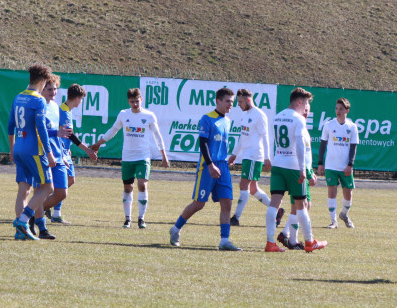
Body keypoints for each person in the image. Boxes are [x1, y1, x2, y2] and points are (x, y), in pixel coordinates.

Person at [90, 88, 170, 229]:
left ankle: (141, 218)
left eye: (137, 101)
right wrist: (98, 143)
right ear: (128, 101)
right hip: (127, 157)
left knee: (142, 185)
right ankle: (128, 219)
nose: (135, 104)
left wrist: (164, 155)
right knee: (128, 187)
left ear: (141, 100)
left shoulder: (149, 115)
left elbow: (157, 135)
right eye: (132, 102)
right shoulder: (123, 114)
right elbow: (113, 130)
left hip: (143, 157)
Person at [169, 87, 238, 250]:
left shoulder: (228, 121)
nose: (230, 105)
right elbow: (203, 143)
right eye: (228, 101)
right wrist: (210, 164)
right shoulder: (207, 118)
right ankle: (175, 228)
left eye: (232, 102)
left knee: (227, 202)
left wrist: (226, 160)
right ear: (218, 101)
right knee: (199, 203)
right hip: (208, 166)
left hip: (223, 165)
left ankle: (224, 241)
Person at [264, 87, 326, 252]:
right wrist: (302, 169)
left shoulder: (278, 117)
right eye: (305, 103)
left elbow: (274, 141)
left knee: (274, 204)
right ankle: (309, 241)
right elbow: (299, 145)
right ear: (299, 101)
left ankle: (270, 243)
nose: (306, 107)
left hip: (278, 163)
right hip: (292, 166)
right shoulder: (298, 119)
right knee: (302, 205)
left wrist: (270, 158)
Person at [8, 64, 60, 240]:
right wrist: (50, 153)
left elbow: (10, 126)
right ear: (43, 81)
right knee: (47, 187)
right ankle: (23, 221)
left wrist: (11, 148)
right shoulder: (38, 100)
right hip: (34, 151)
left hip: (19, 149)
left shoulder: (18, 97)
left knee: (24, 190)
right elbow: (41, 130)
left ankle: (20, 232)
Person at [40, 81, 97, 225]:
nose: (81, 102)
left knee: (70, 181)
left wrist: (68, 147)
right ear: (77, 98)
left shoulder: (67, 110)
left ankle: (51, 208)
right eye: (81, 99)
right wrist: (88, 150)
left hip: (64, 151)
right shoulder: (63, 111)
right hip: (59, 152)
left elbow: (67, 136)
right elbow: (70, 135)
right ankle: (45, 209)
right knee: (62, 184)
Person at [228, 88, 273, 226]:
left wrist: (267, 157)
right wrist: (234, 154)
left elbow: (265, 136)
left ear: (248, 100)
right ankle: (277, 210)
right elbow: (242, 136)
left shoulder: (259, 115)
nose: (238, 104)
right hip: (247, 155)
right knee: (253, 189)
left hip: (254, 155)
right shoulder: (244, 115)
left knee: (243, 184)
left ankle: (236, 217)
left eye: (240, 101)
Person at [317, 97, 360, 228]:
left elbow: (353, 147)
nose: (338, 111)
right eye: (336, 108)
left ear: (347, 110)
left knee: (348, 193)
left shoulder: (352, 127)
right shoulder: (329, 125)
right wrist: (320, 163)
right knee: (332, 192)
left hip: (345, 166)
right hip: (331, 165)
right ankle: (333, 221)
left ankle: (344, 214)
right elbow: (322, 145)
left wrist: (350, 165)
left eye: (341, 108)